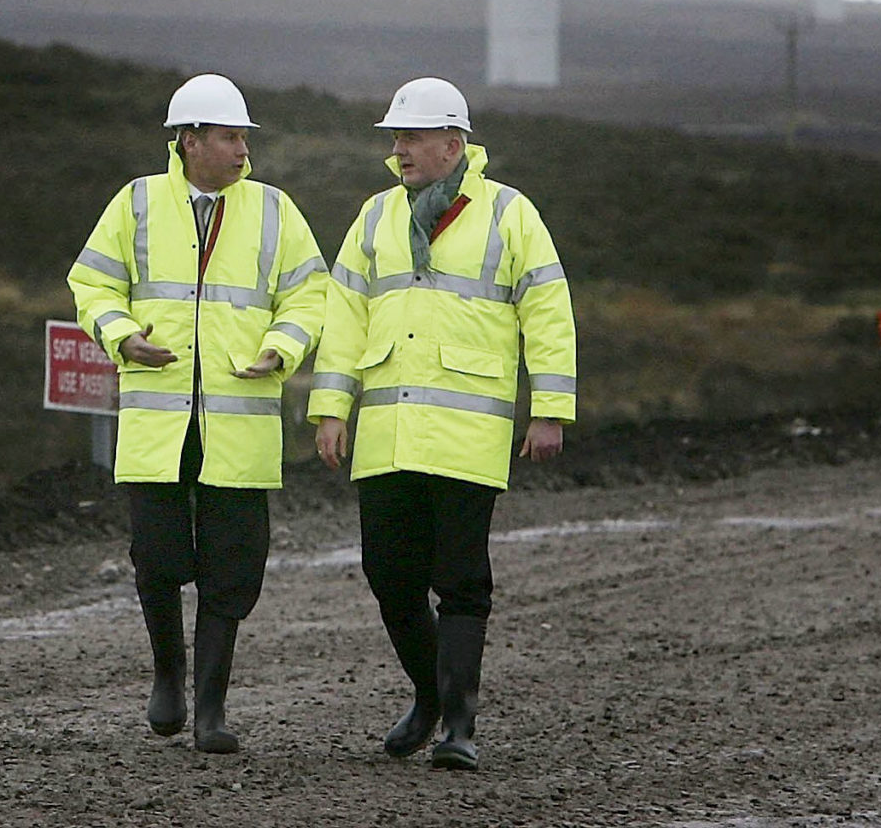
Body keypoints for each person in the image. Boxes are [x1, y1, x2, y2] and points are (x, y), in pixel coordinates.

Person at [307, 77, 577, 771]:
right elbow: (344, 317)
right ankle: (429, 697)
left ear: (453, 145)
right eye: (396, 138)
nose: (399, 149)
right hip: (388, 432)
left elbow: (548, 312)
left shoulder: (510, 213)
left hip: (466, 434)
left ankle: (459, 726)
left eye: (413, 137)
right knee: (388, 576)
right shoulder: (375, 216)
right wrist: (331, 406)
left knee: (460, 580)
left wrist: (550, 408)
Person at [63, 74, 329, 752]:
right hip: (158, 419)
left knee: (232, 564)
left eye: (244, 138)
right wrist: (122, 335)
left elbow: (310, 293)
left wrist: (281, 346)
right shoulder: (136, 202)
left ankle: (211, 708)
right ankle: (168, 675)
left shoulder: (274, 209)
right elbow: (92, 283)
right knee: (156, 554)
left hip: (238, 419)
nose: (243, 150)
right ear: (189, 140)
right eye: (230, 137)